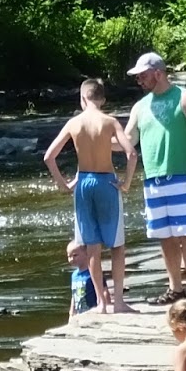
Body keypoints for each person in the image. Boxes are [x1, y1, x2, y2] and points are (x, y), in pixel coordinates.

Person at [44, 78, 137, 313]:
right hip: (106, 182)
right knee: (117, 246)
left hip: (84, 182)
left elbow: (49, 157)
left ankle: (101, 305)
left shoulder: (74, 123)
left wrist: (64, 184)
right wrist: (126, 182)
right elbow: (131, 153)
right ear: (103, 99)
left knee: (93, 247)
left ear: (82, 98)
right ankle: (118, 301)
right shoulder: (110, 122)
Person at [126, 53, 186, 305]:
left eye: (143, 75)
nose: (139, 80)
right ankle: (175, 289)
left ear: (158, 73)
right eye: (138, 76)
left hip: (183, 176)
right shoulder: (140, 107)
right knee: (165, 236)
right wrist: (94, 137)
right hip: (153, 180)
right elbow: (128, 139)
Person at [67, 237, 105, 320]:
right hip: (80, 313)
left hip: (93, 312)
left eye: (75, 255)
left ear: (86, 253)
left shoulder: (93, 273)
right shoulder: (74, 275)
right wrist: (71, 312)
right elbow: (74, 294)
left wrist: (107, 304)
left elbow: (104, 290)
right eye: (69, 256)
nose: (71, 259)